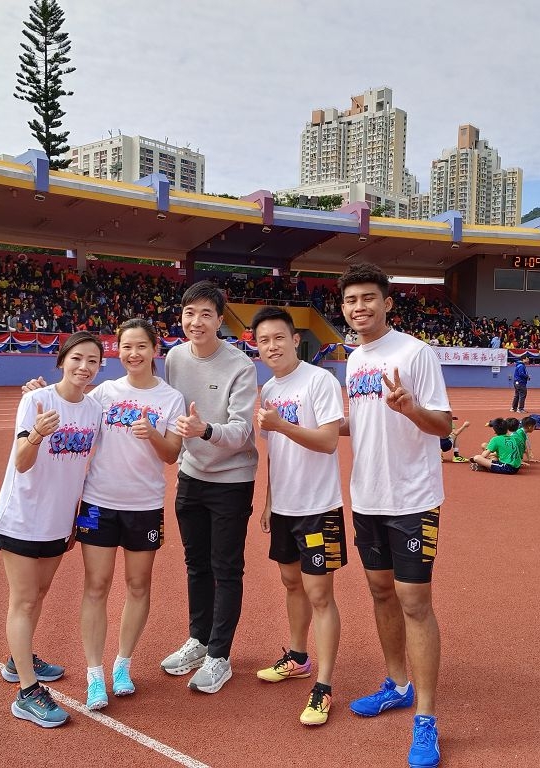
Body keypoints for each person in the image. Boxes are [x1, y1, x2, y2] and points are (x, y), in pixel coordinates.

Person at [21, 318, 185, 710]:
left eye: (141, 346)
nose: (133, 354)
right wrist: (38, 393)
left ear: (154, 350)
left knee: (138, 585)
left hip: (144, 505)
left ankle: (122, 665)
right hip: (98, 503)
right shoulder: (105, 393)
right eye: (126, 347)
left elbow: (172, 454)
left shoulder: (170, 398)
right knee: (96, 585)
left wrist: (153, 434)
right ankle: (95, 674)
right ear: (118, 351)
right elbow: (70, 408)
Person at [339, 263, 451, 768]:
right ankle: (397, 684)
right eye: (350, 300)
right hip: (367, 497)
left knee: (414, 602)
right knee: (380, 591)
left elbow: (442, 424)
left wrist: (410, 409)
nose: (358, 307)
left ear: (386, 303)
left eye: (367, 298)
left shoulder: (415, 353)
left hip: (412, 498)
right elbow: (359, 423)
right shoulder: (353, 359)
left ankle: (425, 717)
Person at [0, 331, 104, 728]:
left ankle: (18, 658)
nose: (84, 367)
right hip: (24, 517)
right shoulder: (37, 400)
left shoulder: (94, 409)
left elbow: (89, 469)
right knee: (23, 600)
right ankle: (27, 693)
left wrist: (81, 520)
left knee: (38, 594)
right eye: (77, 358)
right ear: (62, 361)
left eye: (93, 361)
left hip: (59, 521)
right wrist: (39, 433)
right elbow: (22, 462)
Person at [160, 281, 258, 694]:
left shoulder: (240, 366)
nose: (196, 321)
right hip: (191, 476)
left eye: (205, 314)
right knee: (195, 564)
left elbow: (241, 430)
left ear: (220, 320)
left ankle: (220, 655)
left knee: (226, 567)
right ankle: (199, 640)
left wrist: (205, 431)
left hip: (232, 480)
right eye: (189, 313)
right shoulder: (174, 357)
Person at [251, 306, 345, 726]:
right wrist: (270, 500)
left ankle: (323, 686)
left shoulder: (319, 380)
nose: (271, 346)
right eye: (263, 340)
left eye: (278, 338)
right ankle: (298, 657)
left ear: (294, 340)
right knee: (291, 583)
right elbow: (275, 452)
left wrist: (281, 425)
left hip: (318, 507)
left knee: (320, 595)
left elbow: (328, 441)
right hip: (286, 507)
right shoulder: (269, 389)